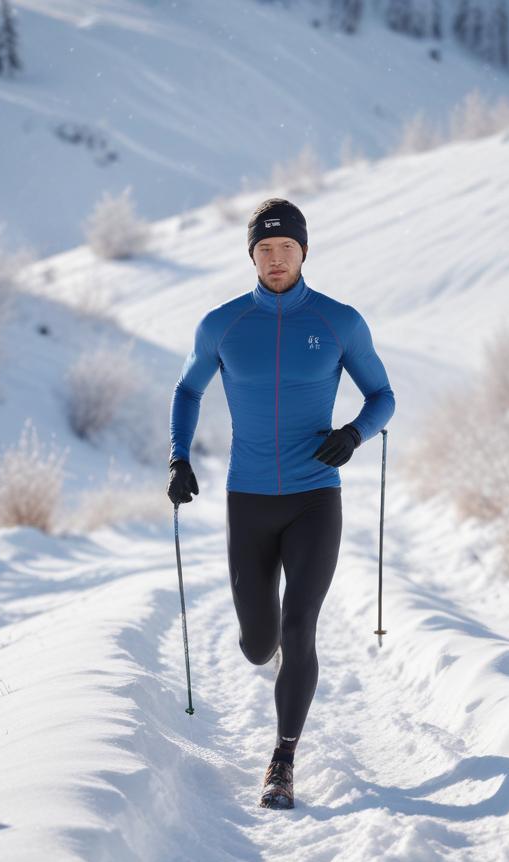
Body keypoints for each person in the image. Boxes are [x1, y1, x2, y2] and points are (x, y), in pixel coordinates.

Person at [166, 197, 395, 810]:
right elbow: (187, 390)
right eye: (264, 249)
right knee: (258, 642)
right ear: (251, 255)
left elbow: (383, 397)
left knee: (300, 628)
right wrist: (179, 457)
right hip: (249, 501)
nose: (275, 259)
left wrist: (351, 435)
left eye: (285, 248)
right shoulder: (223, 324)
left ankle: (283, 757)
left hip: (315, 498)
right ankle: (263, 655)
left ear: (303, 252)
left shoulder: (339, 322)